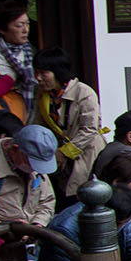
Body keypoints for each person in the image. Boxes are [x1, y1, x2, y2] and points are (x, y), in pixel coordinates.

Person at [32, 48, 104, 205]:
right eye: (36, 72)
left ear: (58, 72)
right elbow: (39, 125)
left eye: (43, 73)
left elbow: (89, 130)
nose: (38, 78)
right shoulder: (42, 94)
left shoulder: (84, 92)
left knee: (84, 197)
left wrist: (64, 153)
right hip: (58, 156)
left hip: (86, 152)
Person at [0, 123, 57, 229]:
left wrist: (38, 223)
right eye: (32, 163)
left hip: (30, 232)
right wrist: (7, 227)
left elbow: (47, 200)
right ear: (14, 149)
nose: (35, 168)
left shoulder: (36, 162)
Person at [0, 1, 34, 121]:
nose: (25, 30)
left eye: (27, 24)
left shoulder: (30, 52)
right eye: (19, 25)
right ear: (2, 29)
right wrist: (10, 78)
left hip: (23, 113)